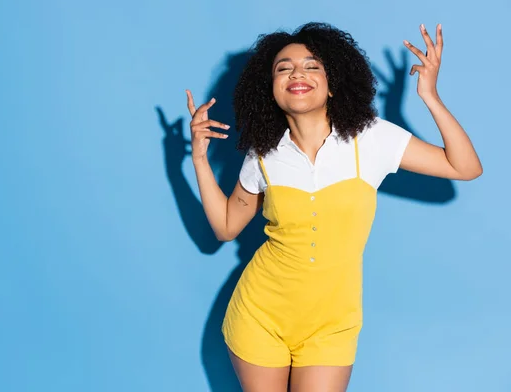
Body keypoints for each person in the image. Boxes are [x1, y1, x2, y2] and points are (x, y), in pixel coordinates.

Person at [184, 22, 482, 392]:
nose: (297, 73)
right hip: (259, 316)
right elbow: (226, 227)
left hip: (331, 325)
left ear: (332, 81)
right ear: (270, 88)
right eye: (283, 67)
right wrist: (198, 158)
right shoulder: (263, 155)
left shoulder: (371, 138)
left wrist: (430, 96)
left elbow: (465, 167)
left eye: (312, 65)